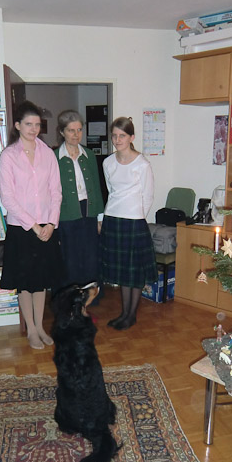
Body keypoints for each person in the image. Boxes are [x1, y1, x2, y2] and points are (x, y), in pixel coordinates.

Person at [0, 100, 62, 350]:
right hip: (22, 229)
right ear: (17, 125)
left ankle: (41, 326)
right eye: (28, 124)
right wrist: (34, 226)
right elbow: (8, 198)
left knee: (41, 280)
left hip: (47, 226)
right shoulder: (8, 156)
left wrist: (52, 223)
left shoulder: (48, 153)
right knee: (25, 282)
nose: (34, 129)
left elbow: (56, 192)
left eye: (37, 124)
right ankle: (32, 330)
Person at [100, 116, 157, 330]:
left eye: (122, 135)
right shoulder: (107, 162)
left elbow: (148, 196)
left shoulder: (142, 164)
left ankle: (131, 315)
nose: (117, 140)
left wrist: (136, 215)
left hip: (134, 222)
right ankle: (124, 313)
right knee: (122, 272)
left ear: (131, 137)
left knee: (135, 271)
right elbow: (111, 191)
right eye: (114, 135)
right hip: (113, 219)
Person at [54, 110, 105, 289]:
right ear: (62, 132)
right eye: (71, 130)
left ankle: (90, 298)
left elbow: (97, 187)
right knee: (70, 259)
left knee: (90, 257)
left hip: (89, 212)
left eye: (79, 130)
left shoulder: (89, 155)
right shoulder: (54, 157)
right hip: (66, 214)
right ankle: (69, 300)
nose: (76, 135)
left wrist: (100, 218)